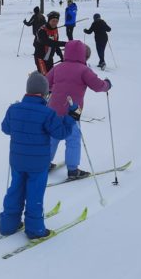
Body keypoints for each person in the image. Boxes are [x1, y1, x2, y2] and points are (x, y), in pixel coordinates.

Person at [0, 72, 75, 239]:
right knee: (34, 193)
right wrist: (71, 117)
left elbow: (6, 128)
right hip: (38, 164)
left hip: (17, 160)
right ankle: (34, 230)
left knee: (16, 189)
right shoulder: (47, 113)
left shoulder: (14, 109)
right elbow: (61, 133)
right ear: (44, 93)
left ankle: (8, 224)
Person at [47, 40, 112, 179]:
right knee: (73, 139)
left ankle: (45, 163)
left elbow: (47, 83)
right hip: (73, 111)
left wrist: (56, 89)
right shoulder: (84, 70)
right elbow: (98, 86)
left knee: (52, 137)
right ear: (83, 55)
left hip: (53, 110)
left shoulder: (58, 67)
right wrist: (107, 85)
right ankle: (72, 170)